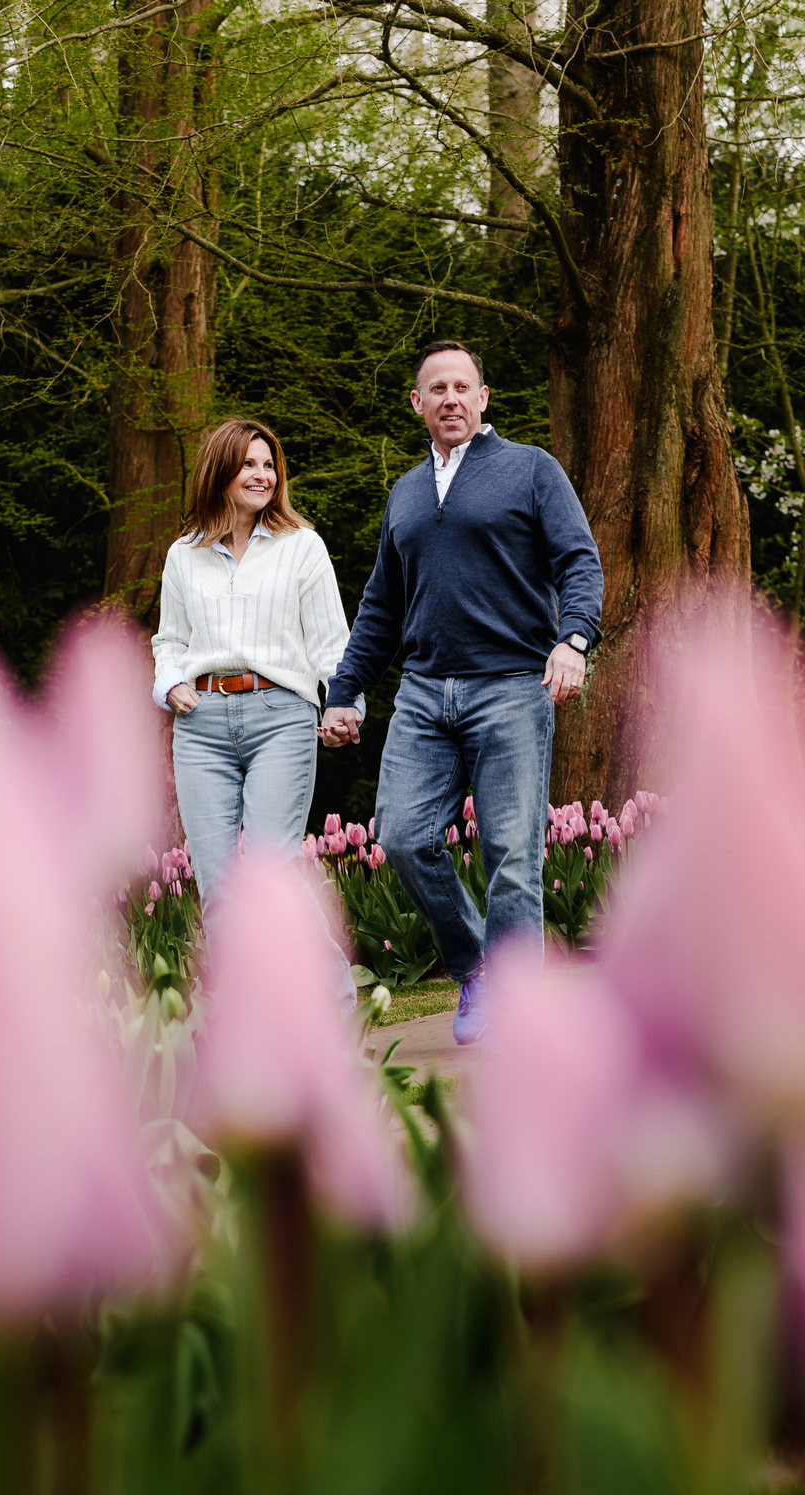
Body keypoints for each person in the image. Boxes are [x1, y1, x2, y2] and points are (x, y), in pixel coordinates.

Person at [320, 340, 603, 1044]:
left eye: (462, 386)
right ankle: (476, 966)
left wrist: (573, 641)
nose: (450, 398)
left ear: (484, 398)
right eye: (435, 388)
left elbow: (579, 561)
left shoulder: (531, 470)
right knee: (404, 836)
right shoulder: (406, 492)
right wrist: (346, 690)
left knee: (512, 855)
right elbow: (382, 605)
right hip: (422, 695)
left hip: (511, 686)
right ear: (416, 405)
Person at [151, 418, 364, 961]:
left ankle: (339, 1007)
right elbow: (169, 639)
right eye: (248, 463)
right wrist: (171, 682)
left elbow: (331, 644)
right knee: (219, 888)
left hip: (281, 718)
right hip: (201, 726)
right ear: (220, 470)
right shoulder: (184, 555)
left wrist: (346, 705)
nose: (261, 474)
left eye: (269, 465)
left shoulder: (302, 548)